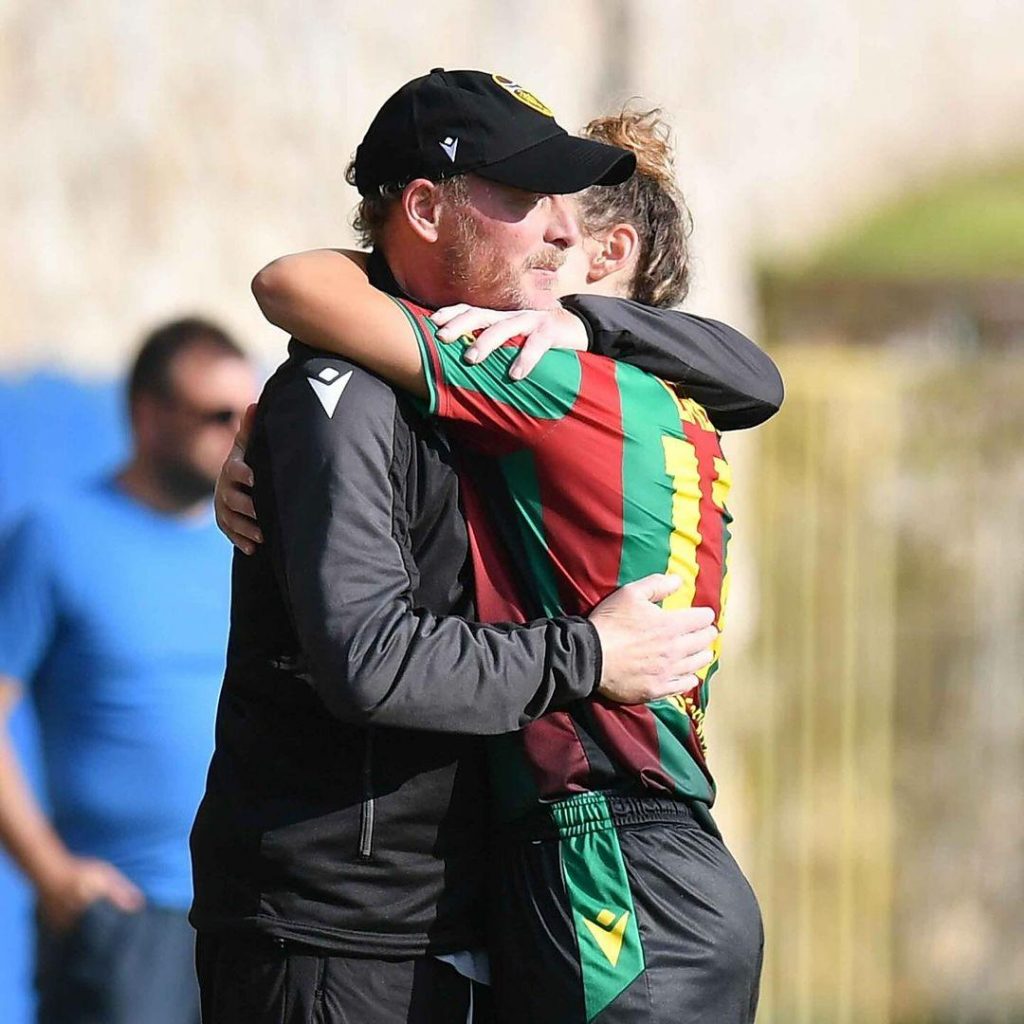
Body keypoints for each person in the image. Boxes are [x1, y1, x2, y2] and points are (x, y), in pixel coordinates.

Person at [192, 70, 781, 1024]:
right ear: (424, 208)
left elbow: (753, 376)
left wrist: (582, 320)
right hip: (333, 934)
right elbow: (370, 660)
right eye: (522, 198)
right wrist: (590, 654)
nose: (559, 230)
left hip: (465, 914)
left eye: (563, 204)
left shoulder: (503, 375)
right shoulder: (345, 386)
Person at [0, 318, 257, 1024]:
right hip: (127, 919)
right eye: (217, 416)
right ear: (148, 416)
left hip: (248, 914)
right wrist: (52, 876)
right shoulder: (55, 535)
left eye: (252, 413)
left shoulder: (251, 540)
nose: (240, 433)